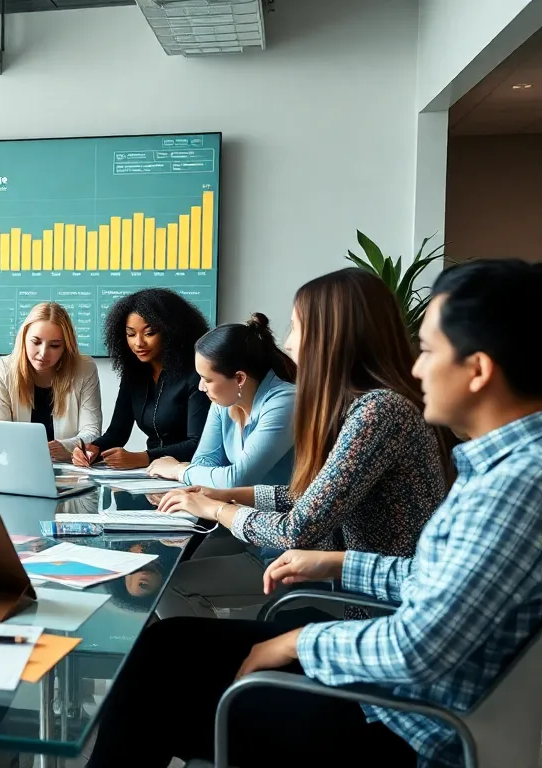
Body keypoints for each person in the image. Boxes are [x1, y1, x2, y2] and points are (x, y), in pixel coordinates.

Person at [87, 258, 542, 768]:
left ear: (478, 370)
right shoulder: (500, 465)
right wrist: (341, 563)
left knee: (158, 684)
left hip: (399, 716)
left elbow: (419, 646)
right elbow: (437, 581)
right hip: (392, 679)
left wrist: (297, 642)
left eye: (430, 351)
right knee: (167, 648)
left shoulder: (505, 477)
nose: (417, 367)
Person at [156, 269, 448, 564]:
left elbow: (295, 530)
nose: (289, 343)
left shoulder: (378, 411)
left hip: (366, 599)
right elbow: (311, 497)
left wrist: (214, 508)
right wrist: (228, 494)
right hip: (347, 586)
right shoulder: (362, 407)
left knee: (173, 589)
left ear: (331, 336)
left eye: (295, 327)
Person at [147, 313, 297, 488]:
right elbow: (203, 462)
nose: (201, 387)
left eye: (208, 379)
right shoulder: (224, 401)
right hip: (235, 509)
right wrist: (194, 472)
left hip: (280, 514)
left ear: (239, 378)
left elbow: (237, 479)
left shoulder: (285, 402)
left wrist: (178, 470)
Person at [73, 288, 209, 469]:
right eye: (131, 334)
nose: (138, 343)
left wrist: (144, 458)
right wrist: (92, 449)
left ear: (171, 331)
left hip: (190, 471)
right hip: (152, 474)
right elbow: (117, 432)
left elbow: (197, 443)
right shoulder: (134, 374)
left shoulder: (197, 375)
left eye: (149, 333)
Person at [0, 302, 102, 461]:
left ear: (65, 346)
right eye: (36, 342)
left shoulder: (85, 369)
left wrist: (64, 446)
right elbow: (1, 429)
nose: (43, 353)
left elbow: (92, 432)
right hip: (20, 462)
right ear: (24, 338)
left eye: (55, 345)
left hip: (69, 468)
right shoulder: (5, 368)